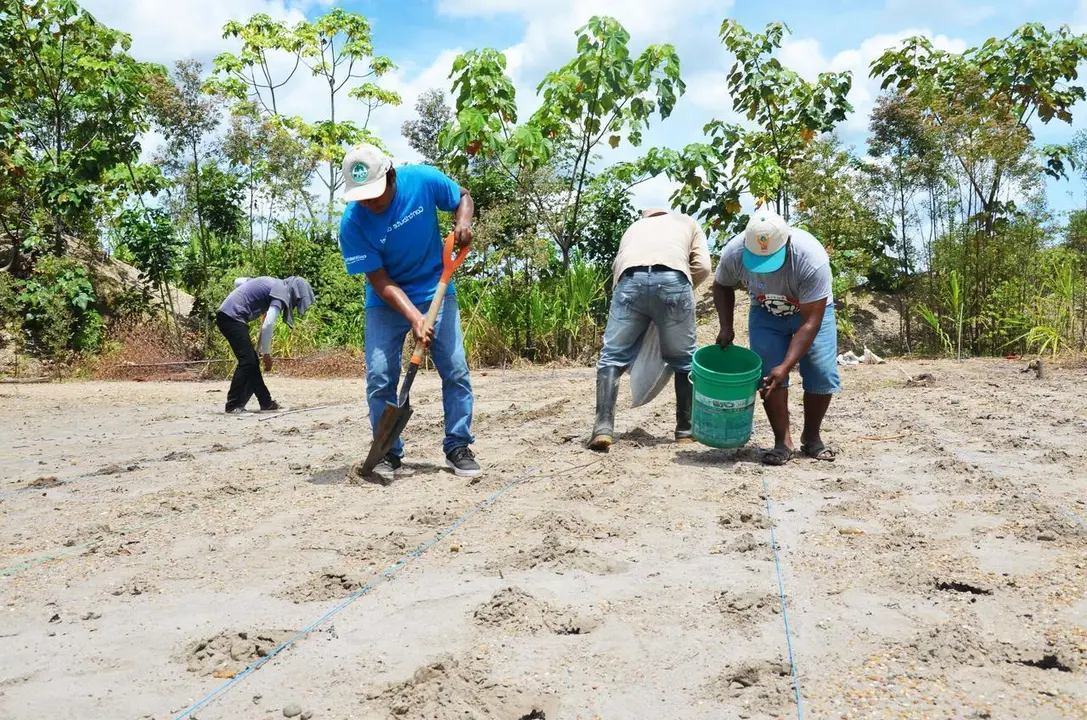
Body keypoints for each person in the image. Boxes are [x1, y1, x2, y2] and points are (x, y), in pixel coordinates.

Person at [336, 143, 479, 482]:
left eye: (374, 194)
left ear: (392, 176)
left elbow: (463, 196)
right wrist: (415, 317)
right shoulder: (352, 224)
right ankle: (388, 452)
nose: (368, 203)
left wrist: (463, 221)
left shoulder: (423, 180)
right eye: (362, 197)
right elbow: (379, 279)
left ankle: (458, 445)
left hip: (435, 287)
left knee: (455, 369)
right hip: (387, 299)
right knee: (380, 377)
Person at [713, 208, 839, 465]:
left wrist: (787, 365)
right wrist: (726, 326)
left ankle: (812, 437)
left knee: (822, 372)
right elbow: (721, 284)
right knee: (768, 374)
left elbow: (810, 323)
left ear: (787, 243)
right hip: (766, 311)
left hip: (812, 312)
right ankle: (783, 441)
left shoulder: (810, 258)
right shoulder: (734, 253)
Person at [589, 208, 711, 451]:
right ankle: (685, 430)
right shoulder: (687, 222)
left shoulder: (633, 228)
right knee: (684, 359)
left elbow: (618, 267)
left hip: (629, 282)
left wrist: (639, 301)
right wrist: (681, 291)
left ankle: (602, 427)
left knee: (611, 356)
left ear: (646, 217)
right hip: (673, 278)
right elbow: (704, 267)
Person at [215, 276, 315, 414]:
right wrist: (266, 354)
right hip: (232, 318)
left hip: (227, 315)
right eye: (297, 299)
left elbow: (238, 281)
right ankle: (233, 406)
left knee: (252, 363)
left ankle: (266, 403)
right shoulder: (282, 290)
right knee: (247, 362)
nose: (295, 302)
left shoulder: (273, 283)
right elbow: (268, 325)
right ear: (295, 291)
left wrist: (256, 301)